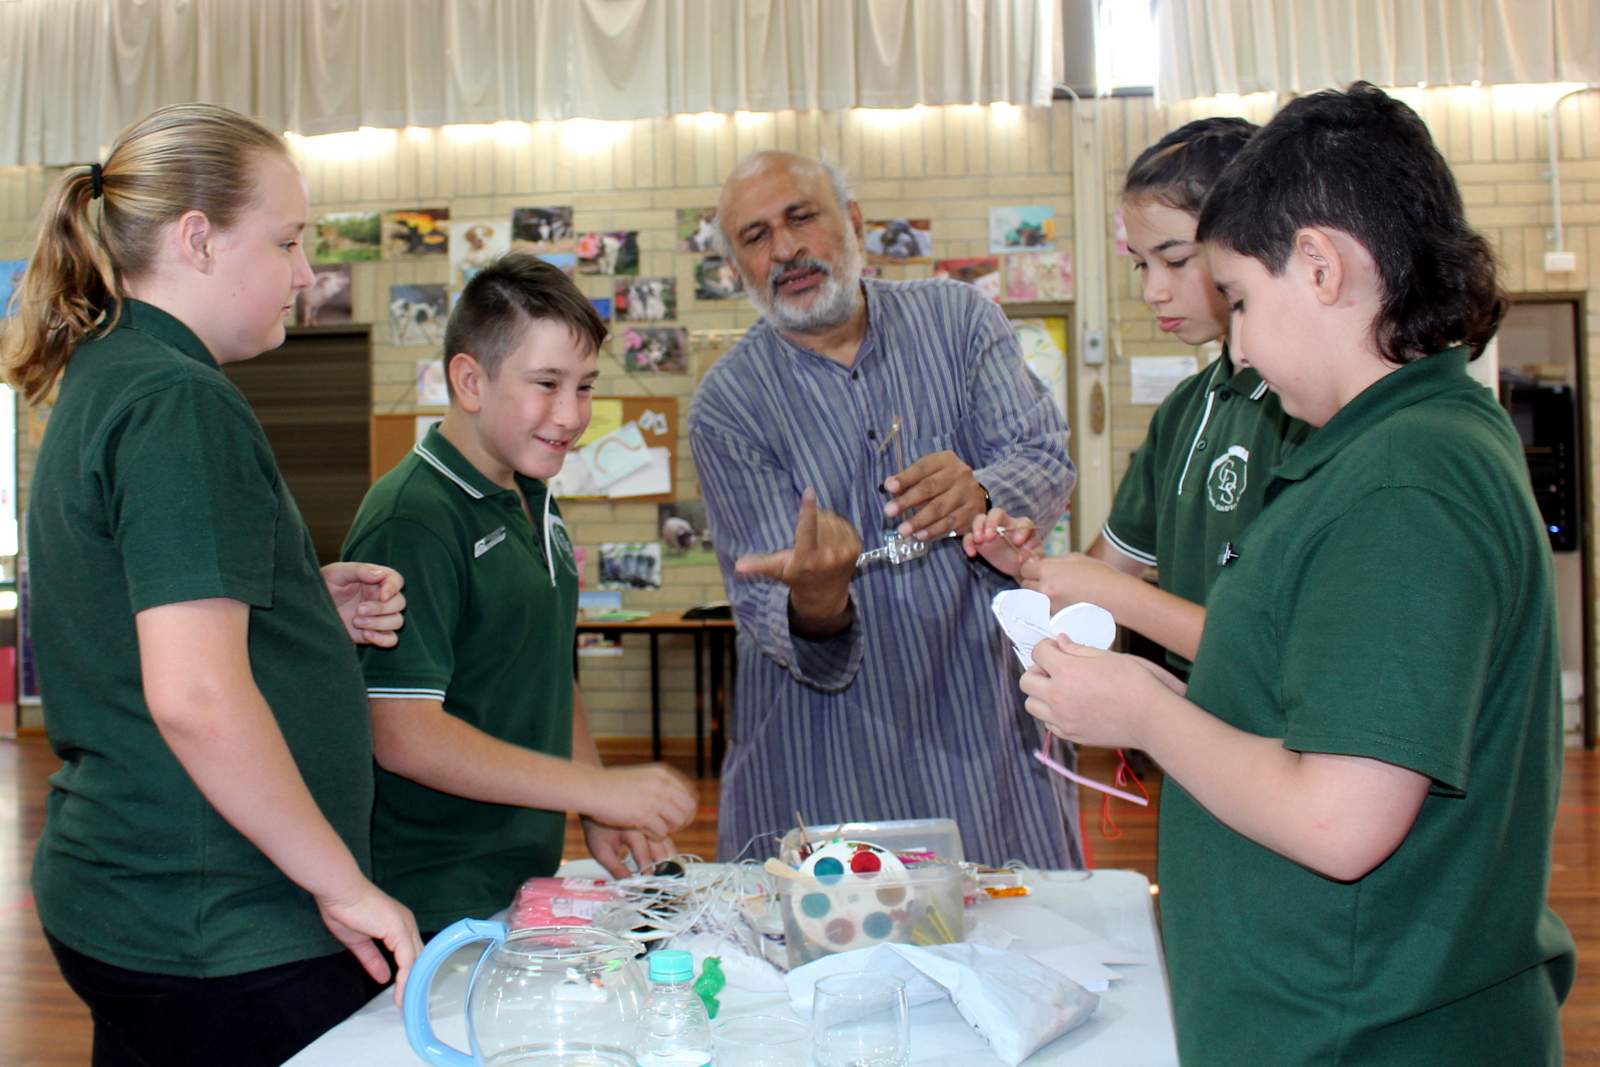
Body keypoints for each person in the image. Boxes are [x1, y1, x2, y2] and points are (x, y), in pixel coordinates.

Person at [1019, 83, 1575, 1064]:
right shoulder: (1374, 452)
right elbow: (1295, 696)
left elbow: (1338, 818)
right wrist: (1151, 683)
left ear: (1320, 266)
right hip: (1322, 1010)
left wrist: (1150, 717)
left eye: (1238, 298)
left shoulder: (1405, 483)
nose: (1232, 341)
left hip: (1368, 1030)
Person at [6, 103, 421, 1067]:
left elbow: (133, 611)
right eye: (286, 241)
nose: (306, 272)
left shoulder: (111, 372)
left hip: (139, 896)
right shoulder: (178, 398)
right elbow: (193, 695)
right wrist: (344, 883)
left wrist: (294, 605)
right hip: (220, 920)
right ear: (197, 238)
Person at [690, 150, 1082, 867]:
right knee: (829, 958)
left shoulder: (958, 320)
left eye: (801, 217)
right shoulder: (728, 406)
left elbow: (1044, 455)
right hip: (825, 748)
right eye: (754, 237)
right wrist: (816, 596)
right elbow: (770, 611)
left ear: (854, 222)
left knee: (1015, 938)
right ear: (735, 268)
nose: (784, 249)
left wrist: (984, 492)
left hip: (984, 725)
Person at [342, 254, 697, 937]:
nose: (571, 414)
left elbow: (545, 671)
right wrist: (594, 788)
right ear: (470, 380)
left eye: (586, 386)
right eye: (546, 384)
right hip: (427, 896)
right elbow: (402, 733)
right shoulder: (412, 516)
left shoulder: (534, 494)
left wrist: (597, 806)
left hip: (519, 879)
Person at [975, 118, 1310, 676]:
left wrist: (1121, 598)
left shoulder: (1305, 405)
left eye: (1176, 260)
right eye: (1140, 264)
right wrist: (1031, 567)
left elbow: (1285, 652)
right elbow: (1103, 578)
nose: (1153, 290)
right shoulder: (1183, 411)